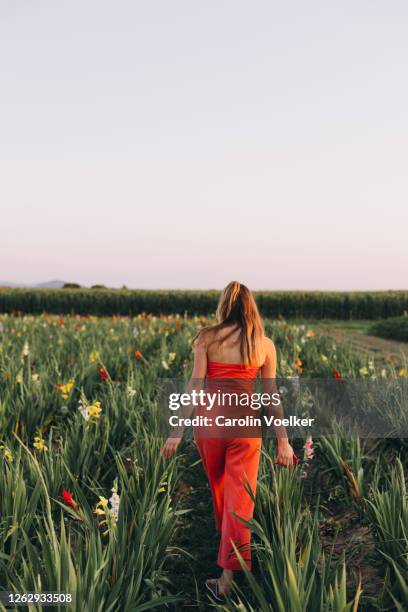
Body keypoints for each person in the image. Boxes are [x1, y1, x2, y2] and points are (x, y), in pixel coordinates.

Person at [161, 281, 296, 599]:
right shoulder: (264, 344)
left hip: (210, 425)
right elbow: (271, 396)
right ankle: (228, 575)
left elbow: (194, 388)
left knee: (221, 489)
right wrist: (283, 441)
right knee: (240, 499)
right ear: (251, 307)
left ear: (224, 305)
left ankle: (226, 547)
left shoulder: (206, 337)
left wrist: (175, 432)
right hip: (245, 428)